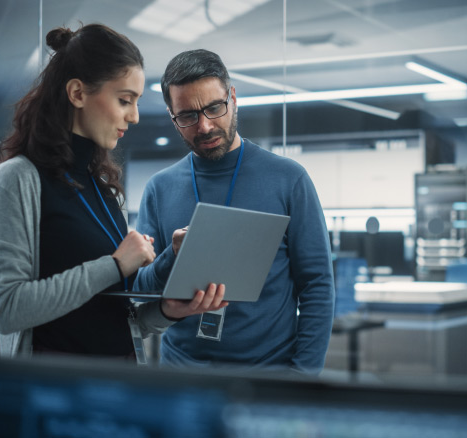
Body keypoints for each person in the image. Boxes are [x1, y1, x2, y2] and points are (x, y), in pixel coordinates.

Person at [0, 25, 226, 360]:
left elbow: (116, 317)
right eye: (124, 100)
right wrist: (113, 265)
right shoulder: (17, 179)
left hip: (116, 389)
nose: (135, 116)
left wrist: (167, 310)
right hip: (52, 397)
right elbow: (4, 309)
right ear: (78, 93)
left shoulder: (103, 188)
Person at [134, 49, 335, 374]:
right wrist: (172, 255)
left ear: (233, 98)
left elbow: (317, 285)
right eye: (187, 116)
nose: (204, 126)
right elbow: (141, 291)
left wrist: (303, 376)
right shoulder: (160, 188)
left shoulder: (288, 179)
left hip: (269, 378)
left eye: (215, 108)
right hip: (182, 377)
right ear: (172, 116)